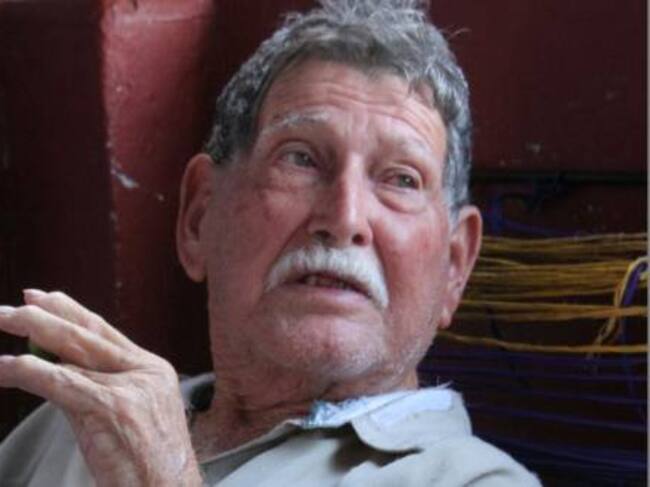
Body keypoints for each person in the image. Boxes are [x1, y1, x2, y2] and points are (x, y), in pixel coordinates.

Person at [0, 0, 541, 485]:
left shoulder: (471, 481)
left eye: (401, 179)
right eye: (300, 158)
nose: (345, 218)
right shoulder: (80, 423)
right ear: (199, 217)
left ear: (454, 266)